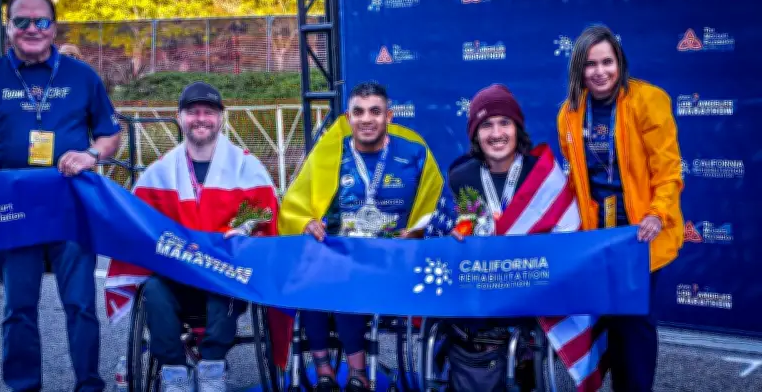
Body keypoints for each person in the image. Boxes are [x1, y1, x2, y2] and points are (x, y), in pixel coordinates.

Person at [0, 0, 121, 391]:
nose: (32, 28)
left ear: (54, 27)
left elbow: (109, 135)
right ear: (8, 26)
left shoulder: (82, 76)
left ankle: (89, 385)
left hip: (70, 204)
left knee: (81, 305)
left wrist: (90, 154)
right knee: (18, 308)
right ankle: (23, 387)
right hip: (10, 210)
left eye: (42, 21)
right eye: (22, 21)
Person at [105, 81, 280, 392]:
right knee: (154, 288)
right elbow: (136, 222)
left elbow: (263, 210)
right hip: (178, 275)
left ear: (221, 118)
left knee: (230, 283)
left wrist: (242, 227)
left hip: (225, 274)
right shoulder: (160, 171)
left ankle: (212, 366)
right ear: (180, 117)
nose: (201, 118)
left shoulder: (245, 165)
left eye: (209, 112)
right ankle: (174, 372)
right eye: (193, 112)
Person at [278, 82, 443, 392]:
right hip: (340, 256)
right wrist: (306, 222)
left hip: (394, 262)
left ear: (389, 116)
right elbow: (296, 206)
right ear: (348, 117)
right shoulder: (330, 152)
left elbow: (434, 208)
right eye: (359, 112)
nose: (367, 119)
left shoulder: (415, 153)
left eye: (375, 112)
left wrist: (419, 231)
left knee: (339, 274)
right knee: (313, 269)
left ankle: (357, 372)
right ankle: (324, 370)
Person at [556, 24, 684, 391]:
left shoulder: (647, 100)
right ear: (578, 69)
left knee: (634, 320)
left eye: (607, 62)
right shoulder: (569, 113)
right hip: (598, 237)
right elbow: (578, 178)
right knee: (609, 318)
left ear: (620, 62)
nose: (600, 72)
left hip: (640, 232)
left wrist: (657, 214)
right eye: (590, 64)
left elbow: (668, 168)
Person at [438, 84, 583, 391]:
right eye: (486, 125)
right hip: (478, 293)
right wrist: (454, 235)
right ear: (475, 134)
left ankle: (524, 366)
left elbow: (567, 235)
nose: (496, 133)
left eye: (504, 123)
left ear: (518, 128)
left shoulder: (543, 175)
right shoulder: (460, 176)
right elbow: (450, 229)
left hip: (530, 291)